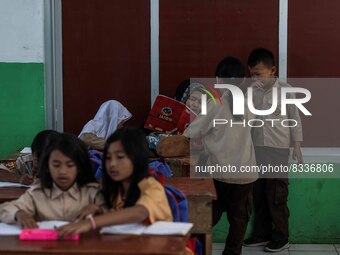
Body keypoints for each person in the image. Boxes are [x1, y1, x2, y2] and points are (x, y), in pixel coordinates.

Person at [183, 57, 258, 255]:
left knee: (210, 214)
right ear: (242, 81)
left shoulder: (215, 105)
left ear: (218, 80)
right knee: (239, 219)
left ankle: (194, 247)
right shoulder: (251, 105)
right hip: (245, 173)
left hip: (220, 173)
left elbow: (191, 132)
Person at [57, 127, 172, 235]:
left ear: (137, 158)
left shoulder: (152, 186)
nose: (112, 164)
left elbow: (140, 212)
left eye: (120, 157)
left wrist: (91, 222)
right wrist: (98, 209)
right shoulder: (116, 190)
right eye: (108, 157)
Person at [243, 48, 303, 252]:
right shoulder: (252, 92)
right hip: (257, 149)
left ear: (273, 71)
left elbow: (295, 119)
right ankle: (261, 234)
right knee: (258, 193)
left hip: (277, 150)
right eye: (251, 74)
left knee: (276, 194)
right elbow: (246, 118)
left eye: (258, 73)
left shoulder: (286, 90)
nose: (254, 77)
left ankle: (281, 236)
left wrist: (297, 146)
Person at [0, 133, 104, 228]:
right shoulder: (37, 194)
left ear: (80, 167)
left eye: (70, 165)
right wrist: (18, 214)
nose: (63, 171)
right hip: (47, 246)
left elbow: (116, 210)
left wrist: (97, 208)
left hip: (86, 246)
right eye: (56, 165)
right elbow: (5, 209)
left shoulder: (93, 193)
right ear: (47, 167)